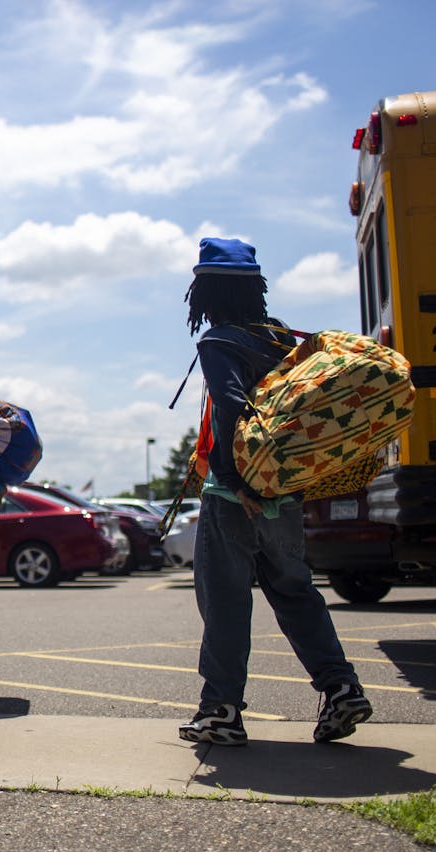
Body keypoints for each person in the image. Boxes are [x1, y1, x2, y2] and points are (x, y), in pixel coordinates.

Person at [177, 237, 373, 747]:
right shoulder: (280, 336)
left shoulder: (219, 340)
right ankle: (341, 688)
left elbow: (229, 406)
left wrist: (242, 483)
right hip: (286, 495)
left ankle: (220, 710)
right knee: (295, 592)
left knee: (224, 602)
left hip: (234, 496)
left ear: (206, 290)